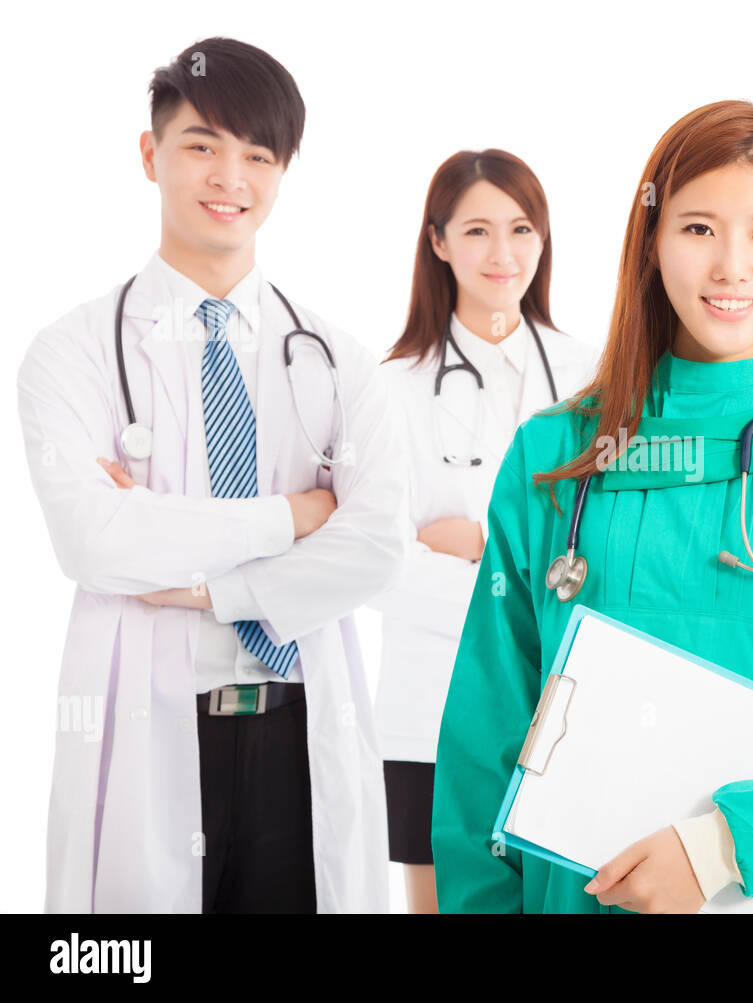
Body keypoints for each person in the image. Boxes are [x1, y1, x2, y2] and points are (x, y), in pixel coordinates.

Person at [430, 99, 753, 914]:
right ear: (651, 239)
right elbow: (488, 724)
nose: (731, 267)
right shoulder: (553, 459)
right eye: (698, 228)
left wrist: (721, 846)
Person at [16, 37, 406, 913]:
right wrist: (298, 514)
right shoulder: (70, 352)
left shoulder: (339, 358)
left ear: (280, 174)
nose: (231, 176)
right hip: (156, 726)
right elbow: (96, 539)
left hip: (299, 729)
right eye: (202, 145)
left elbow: (377, 545)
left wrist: (209, 586)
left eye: (258, 155)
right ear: (151, 155)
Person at [368, 150, 598, 913]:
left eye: (522, 228)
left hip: (572, 704)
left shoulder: (596, 377)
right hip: (432, 711)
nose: (504, 254)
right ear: (437, 241)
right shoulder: (391, 389)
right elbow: (380, 563)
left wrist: (479, 544)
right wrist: (540, 570)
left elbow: (618, 552)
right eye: (477, 231)